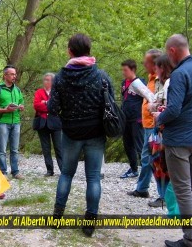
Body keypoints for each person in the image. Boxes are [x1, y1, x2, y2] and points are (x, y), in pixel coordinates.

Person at [48, 33, 114, 237]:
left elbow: (52, 108)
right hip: (95, 132)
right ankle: (90, 222)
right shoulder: (101, 76)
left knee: (66, 174)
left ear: (70, 51)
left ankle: (57, 217)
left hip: (71, 133)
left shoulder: (60, 78)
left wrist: (67, 115)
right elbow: (110, 103)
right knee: (93, 177)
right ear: (89, 50)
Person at [155, 34, 192, 247]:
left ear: (172, 51)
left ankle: (190, 239)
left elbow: (174, 109)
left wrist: (159, 119)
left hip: (179, 140)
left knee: (183, 190)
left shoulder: (180, 74)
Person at [127, 49, 166, 208]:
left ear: (155, 63)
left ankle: (162, 195)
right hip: (148, 124)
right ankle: (142, 188)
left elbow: (160, 102)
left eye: (147, 61)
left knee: (156, 159)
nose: (143, 64)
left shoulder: (161, 80)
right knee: (147, 157)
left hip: (155, 125)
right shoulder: (150, 79)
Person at [0, 65, 25, 179]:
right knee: (2, 149)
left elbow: (21, 102)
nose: (14, 76)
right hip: (3, 122)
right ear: (5, 75)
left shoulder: (17, 89)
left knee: (14, 149)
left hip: (16, 122)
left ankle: (15, 172)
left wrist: (21, 107)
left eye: (15, 74)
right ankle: (3, 172)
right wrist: (5, 110)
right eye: (12, 74)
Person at [33, 73, 62, 176]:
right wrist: (48, 104)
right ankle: (50, 170)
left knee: (59, 147)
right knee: (46, 148)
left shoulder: (57, 92)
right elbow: (36, 106)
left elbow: (57, 107)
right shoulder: (39, 92)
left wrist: (45, 103)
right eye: (45, 79)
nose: (45, 81)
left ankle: (63, 170)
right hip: (42, 123)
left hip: (55, 123)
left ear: (53, 81)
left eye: (48, 80)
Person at [120, 59, 145, 178]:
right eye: (123, 70)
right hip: (126, 119)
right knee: (128, 144)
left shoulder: (140, 83)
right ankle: (134, 169)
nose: (123, 72)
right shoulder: (123, 83)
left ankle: (146, 170)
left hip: (137, 119)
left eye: (125, 70)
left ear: (133, 70)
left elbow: (147, 98)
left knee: (140, 145)